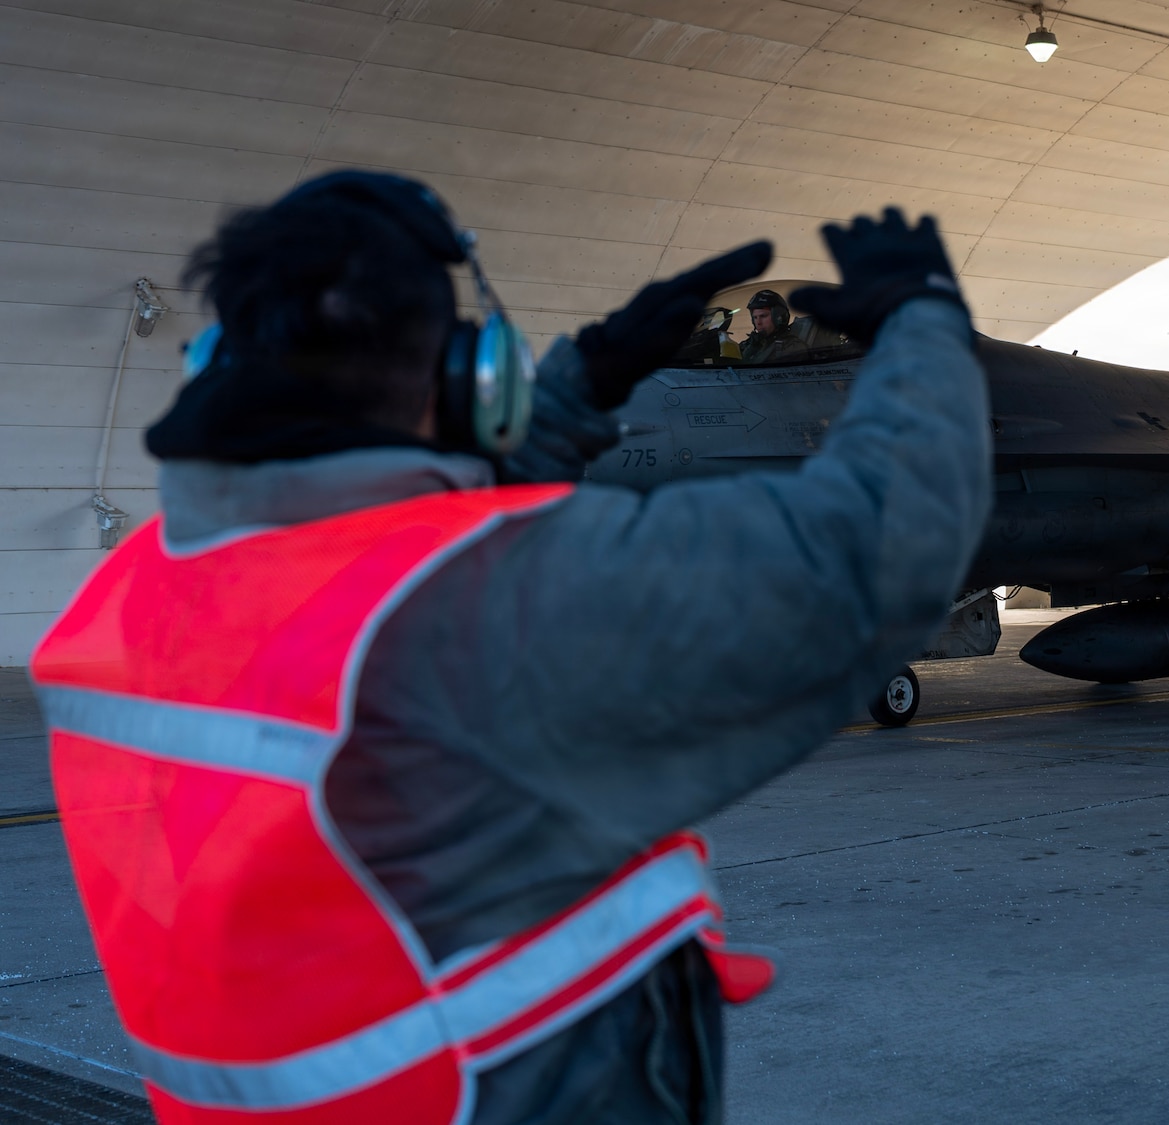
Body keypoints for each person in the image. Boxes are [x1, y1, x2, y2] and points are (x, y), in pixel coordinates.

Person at [30, 173, 990, 1124]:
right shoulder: (488, 600)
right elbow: (876, 550)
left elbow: (383, 547)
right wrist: (924, 324)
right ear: (474, 377)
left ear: (215, 362)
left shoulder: (130, 594)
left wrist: (585, 384)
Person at [739, 288, 809, 364]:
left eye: (763, 316)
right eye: (755, 317)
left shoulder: (792, 347)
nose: (758, 322)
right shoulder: (749, 344)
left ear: (779, 317)